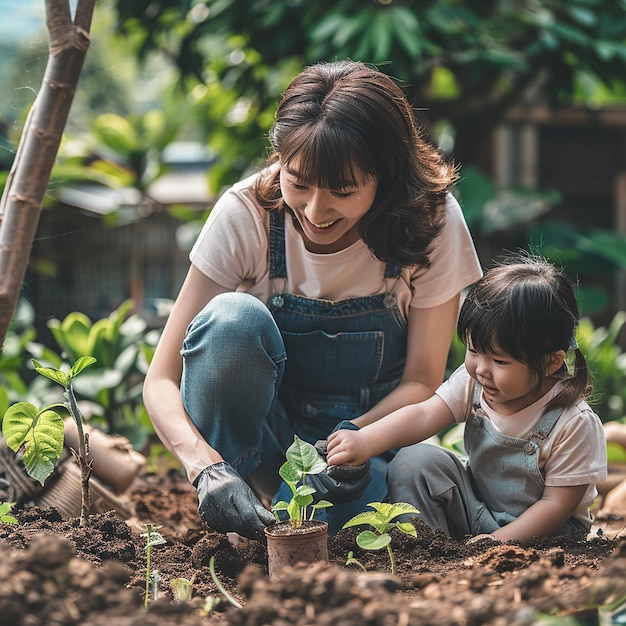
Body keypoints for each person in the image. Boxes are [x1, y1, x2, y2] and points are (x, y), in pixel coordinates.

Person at [143, 60, 483, 541]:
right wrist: (206, 470)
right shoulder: (247, 215)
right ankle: (238, 508)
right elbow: (160, 380)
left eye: (343, 191)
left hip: (364, 452)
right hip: (260, 448)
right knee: (230, 320)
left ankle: (289, 516)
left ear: (385, 177)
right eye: (298, 182)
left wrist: (352, 445)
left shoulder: (431, 222)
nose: (315, 211)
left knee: (327, 539)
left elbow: (422, 381)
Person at [326, 256, 608, 544]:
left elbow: (556, 506)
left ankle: (469, 555)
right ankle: (425, 548)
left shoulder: (574, 424)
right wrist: (366, 440)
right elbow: (425, 414)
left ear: (550, 362)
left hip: (546, 535)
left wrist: (497, 543)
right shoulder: (473, 382)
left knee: (546, 532)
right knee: (415, 460)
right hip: (477, 511)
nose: (481, 369)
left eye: (500, 360)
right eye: (473, 350)